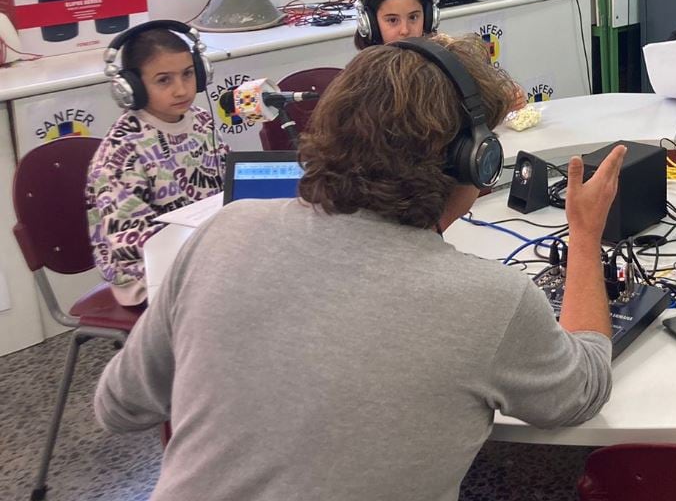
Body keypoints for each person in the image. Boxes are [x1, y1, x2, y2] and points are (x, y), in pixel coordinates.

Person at [94, 33, 626, 500]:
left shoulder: (223, 232)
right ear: (474, 159)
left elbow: (119, 406)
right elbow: (582, 393)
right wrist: (584, 237)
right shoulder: (491, 299)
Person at [86, 22, 228, 307]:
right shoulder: (122, 151)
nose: (181, 90)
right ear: (132, 87)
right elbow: (130, 240)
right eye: (164, 80)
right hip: (143, 271)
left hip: (207, 251)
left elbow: (227, 189)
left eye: (188, 74)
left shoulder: (201, 121)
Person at [354, 0, 528, 110]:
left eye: (414, 17)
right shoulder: (364, 79)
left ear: (429, 18)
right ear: (370, 24)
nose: (405, 30)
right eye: (392, 20)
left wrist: (505, 101)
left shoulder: (444, 61)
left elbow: (479, 103)